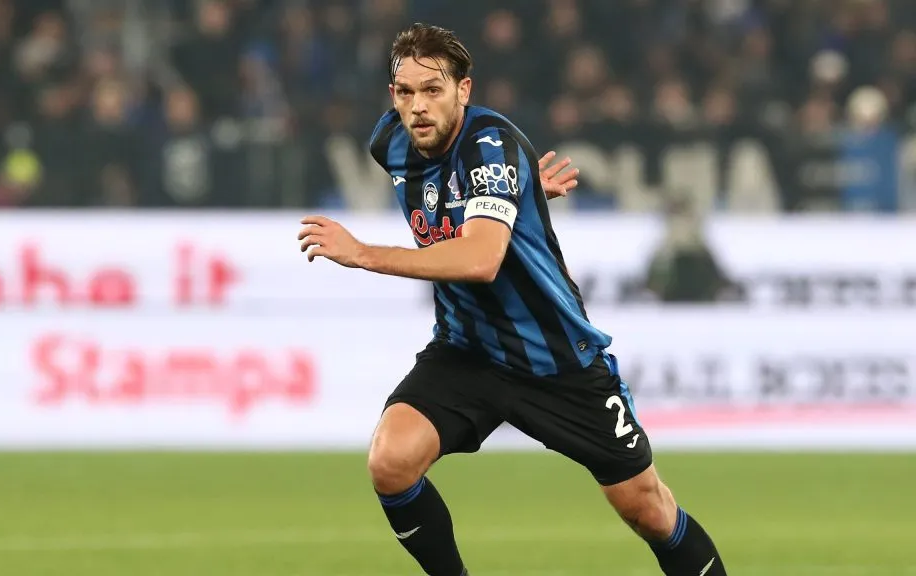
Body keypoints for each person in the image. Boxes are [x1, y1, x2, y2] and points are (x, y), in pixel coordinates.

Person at [297, 23, 727, 576]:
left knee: (647, 509)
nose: (419, 107)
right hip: (467, 350)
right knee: (391, 460)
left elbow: (480, 259)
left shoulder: (490, 145)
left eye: (434, 91)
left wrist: (362, 253)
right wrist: (516, 189)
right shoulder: (391, 143)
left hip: (557, 360)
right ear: (392, 96)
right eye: (406, 93)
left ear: (464, 91)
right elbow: (456, 198)